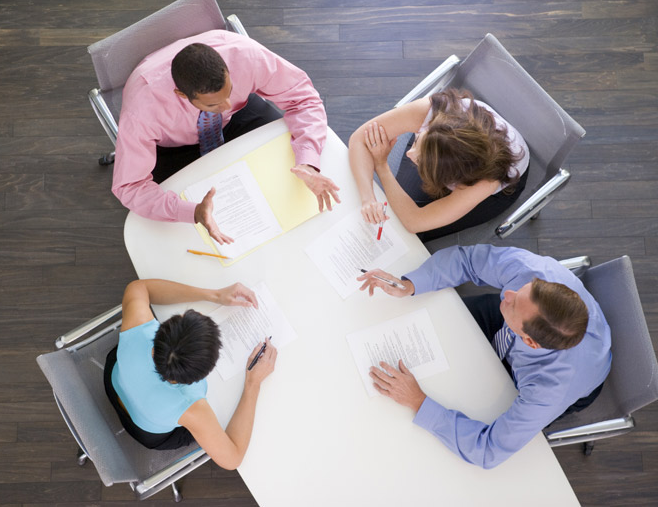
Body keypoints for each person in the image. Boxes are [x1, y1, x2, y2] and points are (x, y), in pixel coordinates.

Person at [357, 245, 611, 469]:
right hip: (520, 326)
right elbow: (468, 261)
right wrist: (410, 285)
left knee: (479, 400)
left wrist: (418, 401)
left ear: (529, 341)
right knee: (439, 320)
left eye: (513, 304)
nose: (507, 293)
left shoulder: (550, 390)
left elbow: (488, 450)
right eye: (522, 290)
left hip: (554, 375)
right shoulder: (533, 273)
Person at [112, 29, 341, 245]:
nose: (227, 104)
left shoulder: (245, 56)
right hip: (175, 147)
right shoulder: (142, 111)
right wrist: (191, 211)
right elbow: (130, 186)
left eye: (229, 92)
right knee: (188, 234)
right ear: (181, 95)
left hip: (237, 119)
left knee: (282, 184)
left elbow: (304, 99)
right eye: (214, 103)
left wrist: (308, 160)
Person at [103, 278, 276, 470]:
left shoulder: (138, 326)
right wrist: (253, 384)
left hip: (115, 382)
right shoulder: (191, 407)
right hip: (146, 431)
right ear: (202, 374)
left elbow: (138, 286)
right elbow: (232, 459)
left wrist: (215, 295)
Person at [348, 89, 529, 242]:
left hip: (500, 185)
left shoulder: (485, 181)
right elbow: (359, 138)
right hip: (451, 152)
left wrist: (381, 166)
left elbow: (414, 222)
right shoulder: (433, 111)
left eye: (419, 160)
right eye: (418, 139)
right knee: (396, 206)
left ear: (447, 177)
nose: (409, 154)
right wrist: (368, 198)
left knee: (409, 232)